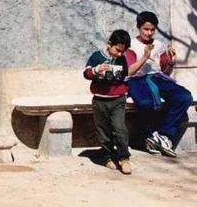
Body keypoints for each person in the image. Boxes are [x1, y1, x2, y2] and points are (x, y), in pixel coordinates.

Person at [125, 11, 194, 157]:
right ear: (139, 28)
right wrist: (145, 56)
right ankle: (149, 135)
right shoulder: (131, 45)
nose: (149, 33)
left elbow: (165, 71)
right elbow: (130, 72)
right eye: (146, 29)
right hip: (137, 79)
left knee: (184, 97)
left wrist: (171, 63)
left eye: (152, 29)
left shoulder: (159, 45)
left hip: (157, 78)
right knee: (145, 102)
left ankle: (164, 135)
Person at [83, 30, 132, 174]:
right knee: (103, 130)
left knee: (119, 128)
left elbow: (125, 75)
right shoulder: (96, 56)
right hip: (99, 100)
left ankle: (124, 158)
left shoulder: (121, 59)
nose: (119, 54)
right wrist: (96, 70)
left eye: (123, 51)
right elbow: (86, 73)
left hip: (118, 100)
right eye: (117, 50)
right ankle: (107, 157)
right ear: (109, 44)